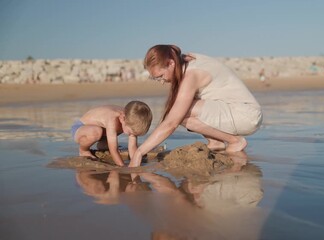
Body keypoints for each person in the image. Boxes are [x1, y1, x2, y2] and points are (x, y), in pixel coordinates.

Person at [129, 44, 262, 167]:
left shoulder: (191, 75)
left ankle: (235, 141)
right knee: (183, 114)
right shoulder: (186, 61)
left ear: (170, 63)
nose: (162, 82)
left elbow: (171, 123)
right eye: (156, 79)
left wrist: (139, 152)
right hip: (239, 112)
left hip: (246, 115)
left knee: (179, 113)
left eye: (160, 76)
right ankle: (216, 142)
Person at [71, 100, 152, 166]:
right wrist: (122, 166)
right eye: (131, 132)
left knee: (118, 131)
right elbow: (113, 149)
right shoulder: (112, 119)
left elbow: (132, 146)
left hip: (103, 132)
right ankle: (83, 150)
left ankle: (103, 143)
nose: (132, 135)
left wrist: (135, 162)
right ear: (122, 118)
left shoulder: (132, 118)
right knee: (96, 132)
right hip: (81, 128)